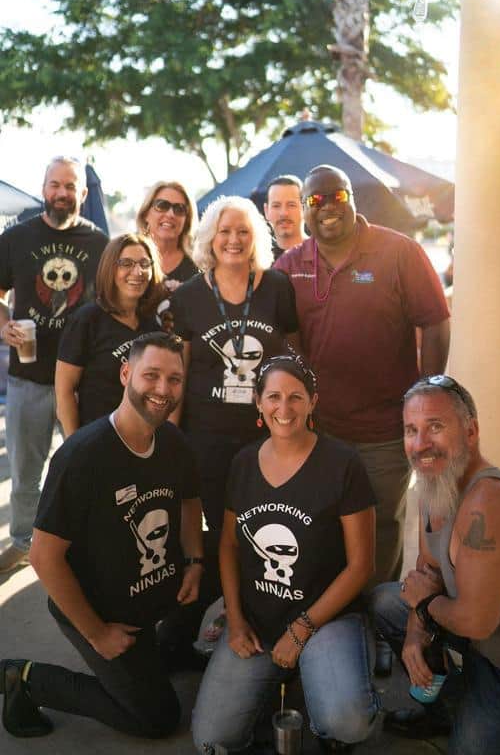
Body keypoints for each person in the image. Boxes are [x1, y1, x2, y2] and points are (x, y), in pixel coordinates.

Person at [0, 332, 203, 739]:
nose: (163, 389)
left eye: (174, 379)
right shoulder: (83, 456)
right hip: (103, 609)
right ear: (126, 374)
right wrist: (97, 633)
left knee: (223, 556)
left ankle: (172, 647)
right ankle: (26, 678)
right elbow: (43, 557)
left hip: (149, 582)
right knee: (157, 719)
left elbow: (189, 500)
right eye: (151, 375)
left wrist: (195, 561)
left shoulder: (173, 441)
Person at [274, 164, 450, 586]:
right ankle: (336, 613)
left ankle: (376, 614)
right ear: (304, 210)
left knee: (381, 528)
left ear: (352, 198)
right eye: (315, 200)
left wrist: (425, 396)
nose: (327, 206)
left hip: (384, 432)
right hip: (321, 430)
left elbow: (435, 321)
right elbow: (286, 340)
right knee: (323, 525)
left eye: (337, 195)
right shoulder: (290, 265)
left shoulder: (399, 252)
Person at [192, 355, 379, 753]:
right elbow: (229, 545)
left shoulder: (343, 464)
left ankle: (324, 684)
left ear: (313, 402)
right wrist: (236, 619)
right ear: (258, 402)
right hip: (258, 620)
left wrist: (302, 629)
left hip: (326, 619)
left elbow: (362, 565)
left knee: (346, 722)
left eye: (296, 397)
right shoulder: (243, 463)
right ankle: (285, 685)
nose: (284, 408)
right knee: (212, 738)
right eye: (274, 397)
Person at [371, 375, 500, 753]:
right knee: (386, 602)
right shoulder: (434, 481)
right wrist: (415, 633)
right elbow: (427, 570)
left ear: (471, 432)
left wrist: (425, 606)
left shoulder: (489, 499)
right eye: (411, 430)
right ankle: (445, 707)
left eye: (435, 426)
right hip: (473, 643)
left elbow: (477, 621)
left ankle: (468, 703)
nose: (420, 444)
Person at [0, 156, 108, 573]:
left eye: (70, 186)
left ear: (83, 193)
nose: (62, 193)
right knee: (25, 472)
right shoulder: (16, 238)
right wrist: (5, 325)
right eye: (55, 184)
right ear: (44, 188)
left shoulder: (99, 243)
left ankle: (84, 543)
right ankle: (22, 541)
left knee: (84, 470)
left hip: (81, 382)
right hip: (28, 377)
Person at [172, 195, 299, 537]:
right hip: (207, 438)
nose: (234, 240)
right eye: (224, 231)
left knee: (267, 523)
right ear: (210, 238)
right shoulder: (187, 297)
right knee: (220, 527)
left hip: (266, 434)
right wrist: (171, 436)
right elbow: (179, 373)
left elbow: (294, 360)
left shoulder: (277, 287)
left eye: (243, 231)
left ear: (255, 237)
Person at [55, 233, 163, 437]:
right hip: (97, 439)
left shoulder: (153, 325)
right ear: (110, 268)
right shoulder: (87, 320)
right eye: (126, 263)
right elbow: (64, 392)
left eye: (144, 263)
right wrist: (75, 445)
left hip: (143, 440)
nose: (137, 271)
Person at [136, 180, 199, 331]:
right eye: (162, 206)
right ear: (146, 214)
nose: (170, 214)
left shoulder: (199, 267)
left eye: (179, 209)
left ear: (187, 220)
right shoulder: (128, 261)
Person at [263, 175, 306, 260]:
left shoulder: (322, 252)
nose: (284, 213)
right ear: (266, 211)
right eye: (276, 206)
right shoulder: (259, 260)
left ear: (305, 208)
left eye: (291, 205)